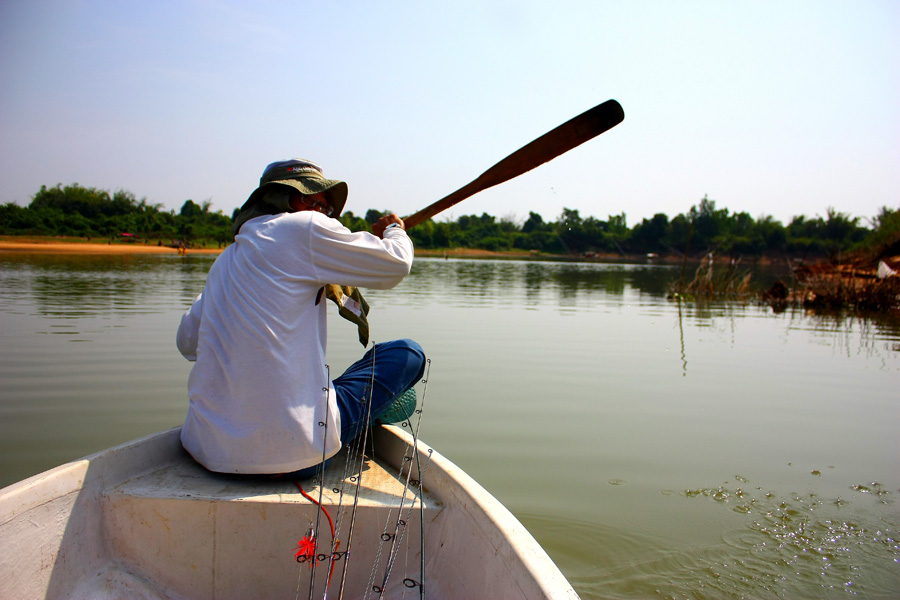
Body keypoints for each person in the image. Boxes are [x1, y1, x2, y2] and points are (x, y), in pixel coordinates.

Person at [176, 158, 425, 477]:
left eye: (326, 207)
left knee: (324, 385)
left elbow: (187, 344)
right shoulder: (302, 228)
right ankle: (362, 415)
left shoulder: (226, 261)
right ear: (280, 198)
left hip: (205, 451)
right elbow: (396, 263)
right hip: (295, 455)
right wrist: (394, 230)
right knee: (408, 353)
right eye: (312, 200)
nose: (322, 212)